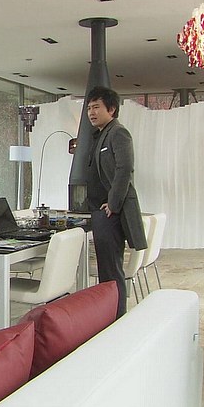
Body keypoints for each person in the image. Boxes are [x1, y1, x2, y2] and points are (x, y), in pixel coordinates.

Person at [85, 86, 147, 317]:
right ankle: (108, 314)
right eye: (89, 108)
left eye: (96, 107)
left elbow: (124, 169)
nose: (91, 112)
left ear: (111, 109)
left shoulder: (118, 133)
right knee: (106, 269)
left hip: (111, 213)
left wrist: (113, 203)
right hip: (100, 212)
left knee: (111, 271)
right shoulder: (102, 134)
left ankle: (118, 317)